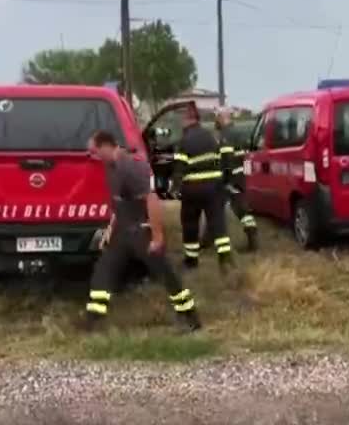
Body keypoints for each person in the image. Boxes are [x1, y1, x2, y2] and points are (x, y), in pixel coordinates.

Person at [78, 130, 201, 333]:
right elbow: (120, 202)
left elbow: (151, 200)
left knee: (165, 273)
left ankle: (190, 316)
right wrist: (110, 229)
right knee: (103, 270)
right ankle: (93, 320)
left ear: (106, 146)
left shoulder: (131, 166)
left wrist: (157, 236)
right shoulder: (110, 167)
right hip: (122, 232)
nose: (94, 157)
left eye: (95, 151)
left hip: (141, 232)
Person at [170, 104, 232, 273]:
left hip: (193, 189)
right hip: (214, 188)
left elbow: (179, 167)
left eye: (183, 119)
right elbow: (220, 159)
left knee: (190, 223)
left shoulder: (184, 140)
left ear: (189, 120)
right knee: (217, 222)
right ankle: (225, 258)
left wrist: (175, 188)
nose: (181, 122)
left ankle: (191, 260)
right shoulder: (211, 137)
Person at [214, 107, 259, 252]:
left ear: (222, 117)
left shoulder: (226, 135)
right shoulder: (238, 133)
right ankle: (251, 236)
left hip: (231, 177)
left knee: (226, 207)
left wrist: (226, 180)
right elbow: (244, 156)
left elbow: (227, 159)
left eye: (217, 117)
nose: (216, 121)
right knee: (239, 207)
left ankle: (252, 240)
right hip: (239, 176)